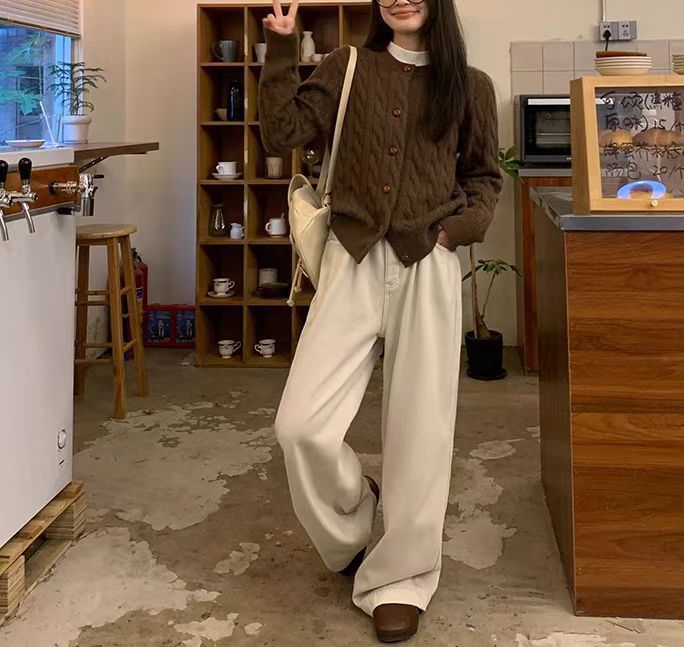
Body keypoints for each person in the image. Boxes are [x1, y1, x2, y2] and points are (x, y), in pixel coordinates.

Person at [258, 0, 502, 641]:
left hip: (429, 261)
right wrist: (281, 46)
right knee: (300, 426)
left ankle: (400, 579)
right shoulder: (348, 68)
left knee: (421, 429)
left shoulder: (469, 86)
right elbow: (280, 134)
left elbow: (483, 177)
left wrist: (454, 232)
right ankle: (352, 522)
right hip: (352, 258)